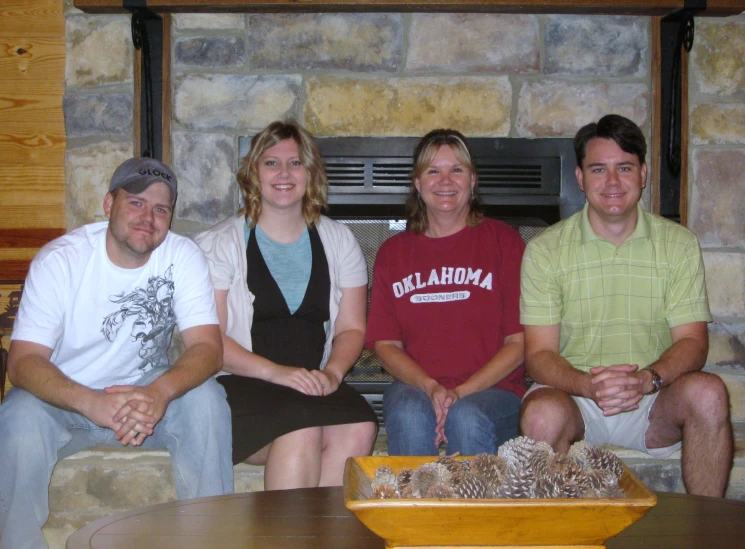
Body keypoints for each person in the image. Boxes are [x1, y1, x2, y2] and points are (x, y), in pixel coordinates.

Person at [0, 157, 233, 549]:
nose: (149, 217)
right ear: (110, 205)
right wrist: (91, 403)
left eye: (161, 209)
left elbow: (209, 350)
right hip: (66, 397)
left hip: (145, 394)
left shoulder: (182, 256)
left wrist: (159, 393)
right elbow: (23, 363)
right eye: (136, 202)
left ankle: (211, 538)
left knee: (208, 399)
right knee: (17, 418)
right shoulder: (61, 261)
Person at [519, 114, 733, 497]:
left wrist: (645, 379)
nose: (613, 182)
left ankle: (706, 529)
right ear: (581, 179)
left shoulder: (679, 244)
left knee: (710, 393)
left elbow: (693, 343)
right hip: (576, 399)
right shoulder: (545, 251)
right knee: (541, 413)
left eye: (625, 168)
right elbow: (539, 355)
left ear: (644, 174)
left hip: (653, 399)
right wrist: (586, 384)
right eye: (599, 169)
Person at [194, 121, 377, 490]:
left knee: (360, 423)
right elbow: (210, 343)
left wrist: (334, 374)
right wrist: (276, 373)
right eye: (271, 163)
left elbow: (352, 328)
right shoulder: (219, 244)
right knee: (301, 425)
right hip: (241, 382)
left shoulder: (339, 240)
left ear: (310, 173)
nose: (284, 173)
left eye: (295, 163)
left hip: (310, 383)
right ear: (253, 173)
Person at [366, 129, 526, 456]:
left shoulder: (505, 242)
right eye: (433, 171)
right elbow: (385, 344)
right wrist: (432, 387)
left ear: (473, 180)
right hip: (417, 388)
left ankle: (474, 507)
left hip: (493, 392)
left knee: (466, 418)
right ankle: (414, 507)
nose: (445, 180)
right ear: (417, 182)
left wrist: (461, 394)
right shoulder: (392, 253)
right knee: (410, 414)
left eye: (457, 170)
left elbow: (520, 343)